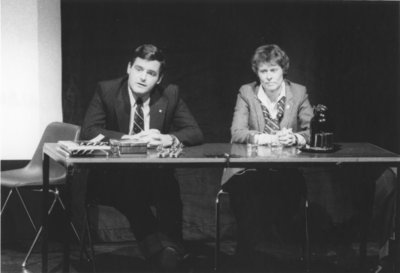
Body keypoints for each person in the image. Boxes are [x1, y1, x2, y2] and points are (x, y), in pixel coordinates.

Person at [81, 44, 203, 270]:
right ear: (129, 68)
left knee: (169, 189)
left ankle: (170, 252)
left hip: (152, 174)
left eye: (151, 73)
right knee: (131, 192)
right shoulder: (107, 90)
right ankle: (165, 254)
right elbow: (88, 130)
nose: (143, 77)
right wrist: (129, 139)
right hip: (112, 177)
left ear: (159, 78)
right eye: (139, 69)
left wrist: (167, 138)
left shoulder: (170, 94)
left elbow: (195, 132)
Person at [221, 44, 313, 267]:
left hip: (284, 170)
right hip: (248, 170)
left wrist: (296, 138)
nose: (269, 76)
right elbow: (237, 132)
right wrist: (269, 138)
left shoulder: (299, 92)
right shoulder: (246, 92)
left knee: (284, 197)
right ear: (257, 72)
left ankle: (262, 257)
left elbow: (311, 131)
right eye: (263, 71)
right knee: (246, 197)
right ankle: (248, 259)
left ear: (283, 69)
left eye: (273, 70)